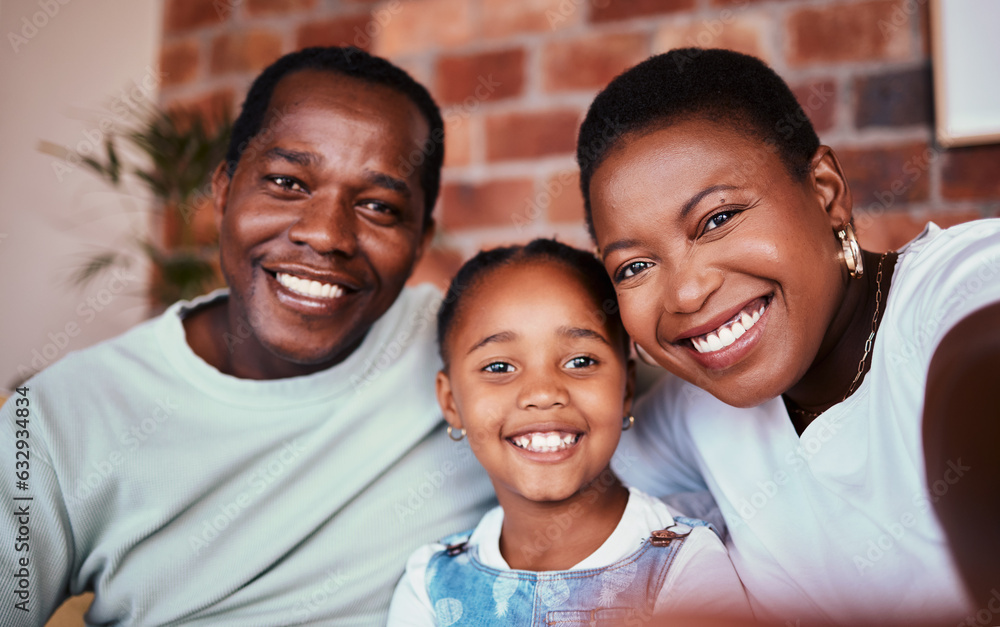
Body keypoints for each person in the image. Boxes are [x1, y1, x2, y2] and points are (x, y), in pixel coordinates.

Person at [0, 47, 495, 626]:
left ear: (420, 238)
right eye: (287, 182)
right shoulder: (59, 419)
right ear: (223, 191)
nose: (326, 235)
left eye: (378, 206)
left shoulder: (480, 353)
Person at [576, 47, 1000, 624]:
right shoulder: (693, 412)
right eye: (633, 267)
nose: (685, 294)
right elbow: (562, 484)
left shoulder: (962, 289)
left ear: (825, 191)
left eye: (718, 219)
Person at [387, 239, 752, 625]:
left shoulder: (684, 564)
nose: (543, 393)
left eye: (580, 361)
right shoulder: (430, 583)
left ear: (625, 389)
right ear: (451, 404)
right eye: (498, 368)